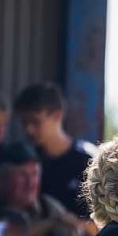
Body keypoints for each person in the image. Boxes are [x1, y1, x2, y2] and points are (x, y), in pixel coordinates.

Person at [14, 81, 98, 220]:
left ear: (57, 115)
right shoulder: (25, 161)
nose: (29, 129)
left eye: (35, 122)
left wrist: (70, 225)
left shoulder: (89, 160)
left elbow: (107, 224)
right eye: (24, 123)